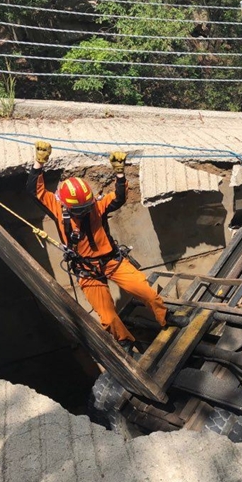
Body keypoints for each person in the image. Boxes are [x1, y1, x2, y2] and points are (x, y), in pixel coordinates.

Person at [27, 141, 167, 349]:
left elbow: (118, 199)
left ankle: (167, 320)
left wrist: (120, 174)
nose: (84, 212)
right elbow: (35, 191)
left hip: (112, 262)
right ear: (66, 205)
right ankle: (124, 340)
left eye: (86, 207)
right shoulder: (58, 210)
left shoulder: (96, 206)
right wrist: (39, 163)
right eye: (79, 209)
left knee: (148, 294)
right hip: (87, 271)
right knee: (109, 318)